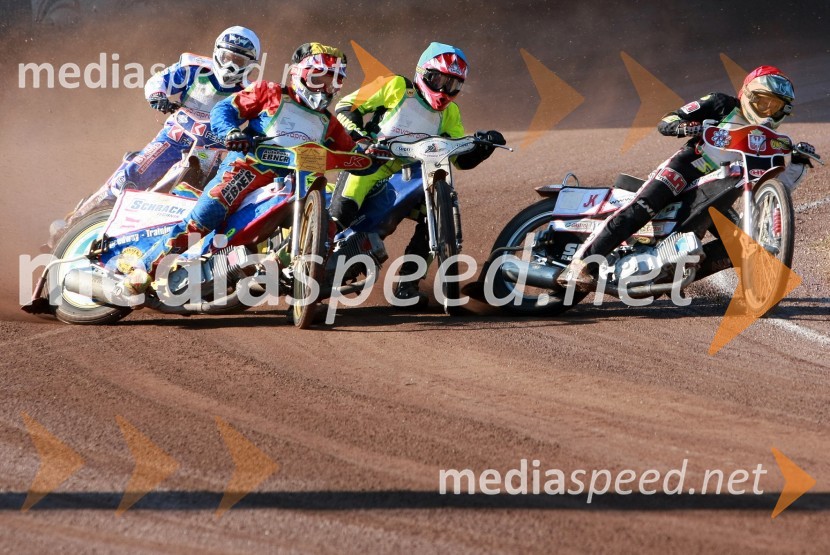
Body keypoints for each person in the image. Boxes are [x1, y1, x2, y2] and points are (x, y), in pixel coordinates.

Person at [123, 42, 365, 295]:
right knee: (209, 211)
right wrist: (231, 132)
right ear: (299, 74)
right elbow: (225, 108)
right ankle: (145, 268)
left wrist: (372, 155)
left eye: (332, 82)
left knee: (327, 229)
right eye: (318, 79)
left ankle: (293, 277)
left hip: (297, 185)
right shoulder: (269, 92)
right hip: (249, 168)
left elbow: (353, 156)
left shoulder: (329, 123)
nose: (324, 88)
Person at [556, 65, 817, 292]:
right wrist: (688, 126)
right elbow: (668, 120)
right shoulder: (721, 103)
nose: (768, 111)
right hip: (688, 168)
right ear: (747, 94)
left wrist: (798, 162)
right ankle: (580, 265)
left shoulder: (771, 143)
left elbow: (775, 191)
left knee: (742, 245)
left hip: (718, 192)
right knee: (642, 207)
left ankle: (672, 275)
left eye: (775, 106)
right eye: (763, 102)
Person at [329, 42, 505, 304]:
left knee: (435, 215)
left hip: (413, 176)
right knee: (342, 211)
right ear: (423, 73)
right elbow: (346, 106)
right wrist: (360, 137)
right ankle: (315, 266)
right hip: (372, 162)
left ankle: (407, 285)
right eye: (439, 80)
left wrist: (483, 147)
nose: (444, 91)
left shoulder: (450, 113)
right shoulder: (396, 86)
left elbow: (459, 159)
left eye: (453, 85)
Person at [102, 26, 262, 196]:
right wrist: (158, 96)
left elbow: (265, 123)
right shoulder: (195, 68)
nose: (229, 66)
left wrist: (254, 139)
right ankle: (105, 200)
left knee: (213, 195)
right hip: (175, 137)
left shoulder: (251, 93)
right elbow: (159, 79)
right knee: (127, 181)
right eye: (226, 58)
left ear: (250, 65)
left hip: (213, 152)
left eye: (238, 62)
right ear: (217, 52)